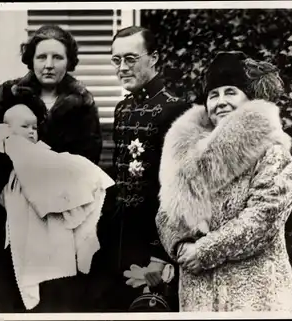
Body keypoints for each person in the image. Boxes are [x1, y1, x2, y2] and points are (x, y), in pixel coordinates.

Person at [0, 24, 102, 313]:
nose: (48, 65)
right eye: (41, 57)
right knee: (13, 300)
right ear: (31, 59)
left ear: (69, 61)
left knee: (57, 299)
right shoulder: (7, 94)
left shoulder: (82, 103)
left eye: (57, 58)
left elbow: (88, 161)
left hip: (61, 219)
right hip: (10, 215)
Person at [156, 51, 292, 311]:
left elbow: (264, 217)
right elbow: (166, 214)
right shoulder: (186, 154)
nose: (220, 102)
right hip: (197, 297)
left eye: (230, 92)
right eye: (213, 95)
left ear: (249, 98)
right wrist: (181, 245)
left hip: (255, 297)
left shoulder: (271, 151)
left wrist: (205, 250)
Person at [89, 26, 191, 312]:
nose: (122, 68)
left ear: (154, 58)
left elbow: (179, 190)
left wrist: (161, 255)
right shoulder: (122, 109)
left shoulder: (176, 109)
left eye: (131, 59)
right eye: (116, 60)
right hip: (118, 239)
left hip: (153, 241)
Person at [0, 101, 113, 312]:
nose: (30, 132)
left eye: (34, 128)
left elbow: (56, 166)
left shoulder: (41, 154)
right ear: (6, 129)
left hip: (51, 239)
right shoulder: (9, 150)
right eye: (24, 127)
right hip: (22, 235)